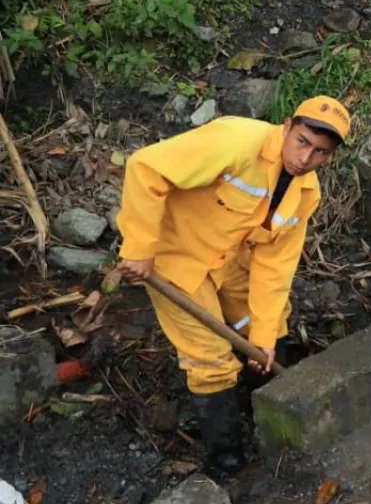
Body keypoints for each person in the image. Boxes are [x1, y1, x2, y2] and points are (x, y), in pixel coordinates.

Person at [115, 97, 350, 475]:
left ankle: (268, 407)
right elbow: (145, 168)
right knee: (209, 357)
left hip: (230, 257)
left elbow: (276, 264)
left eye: (320, 152)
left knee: (267, 329)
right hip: (177, 255)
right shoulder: (235, 141)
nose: (305, 159)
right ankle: (227, 461)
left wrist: (265, 337)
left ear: (331, 156)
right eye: (302, 141)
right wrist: (140, 247)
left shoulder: (306, 193)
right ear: (287, 126)